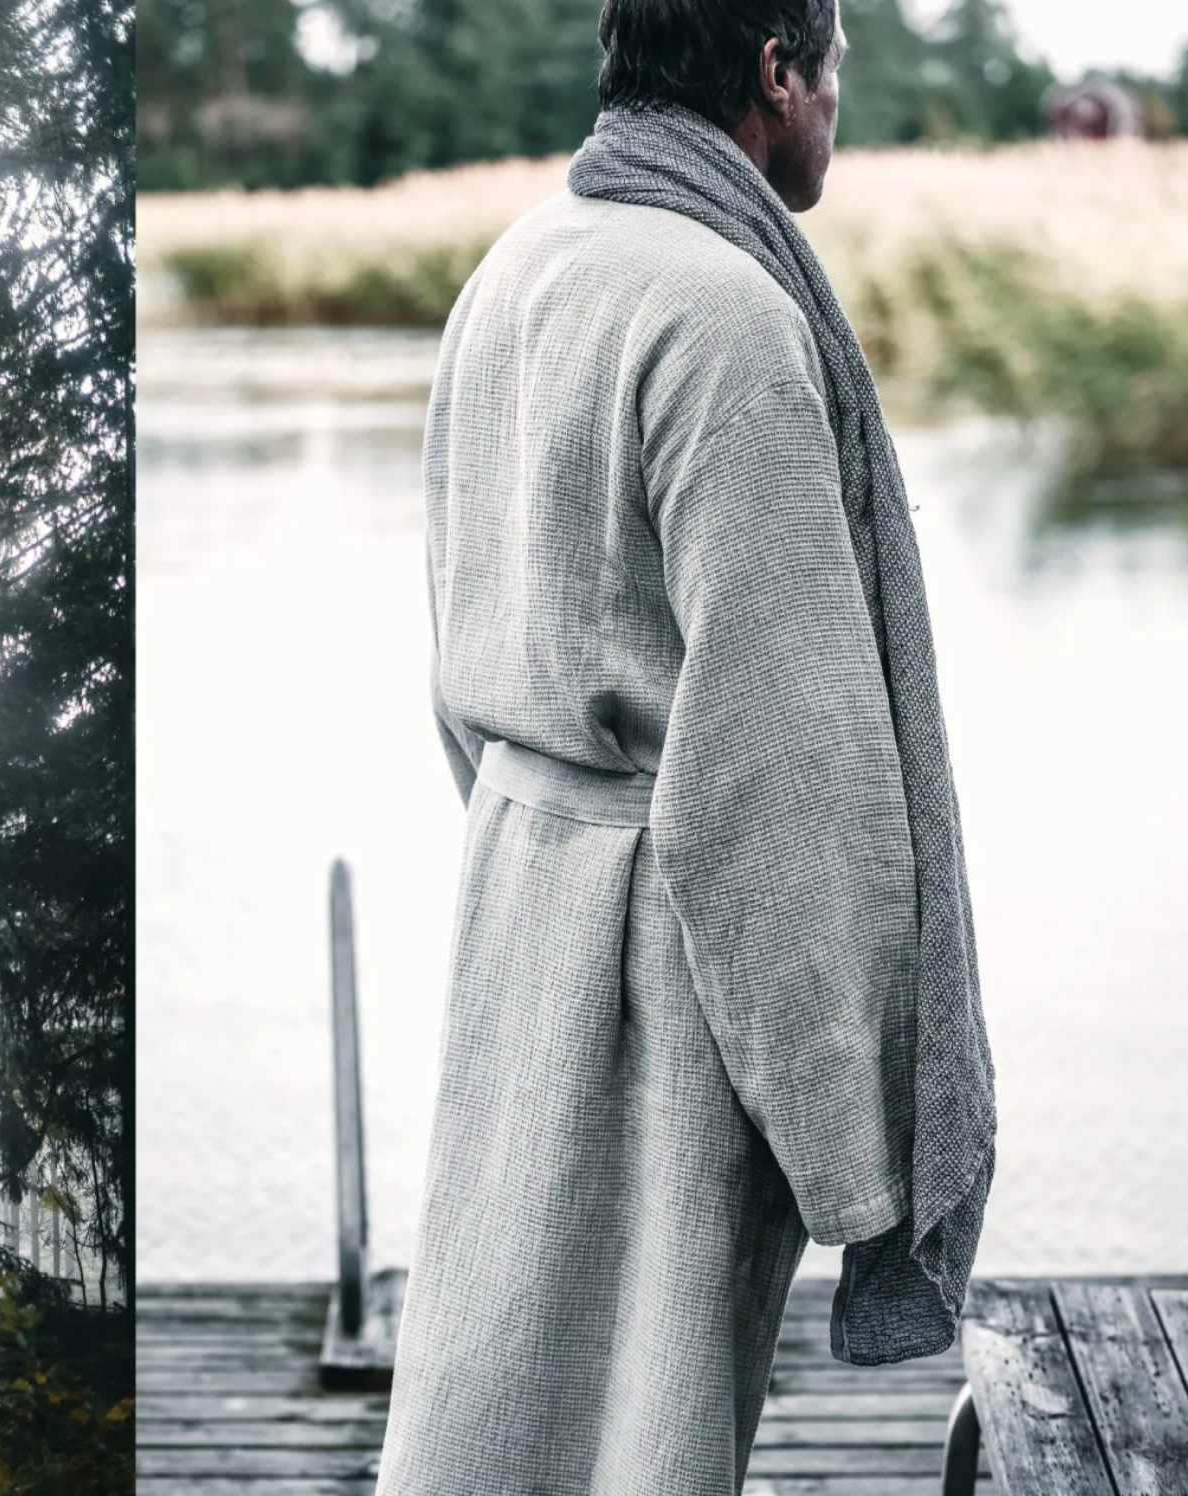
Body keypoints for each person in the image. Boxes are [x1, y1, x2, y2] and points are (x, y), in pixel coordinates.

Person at [372, 0, 995, 1491]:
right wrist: (851, 1139)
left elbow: (453, 627)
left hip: (520, 871)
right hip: (678, 934)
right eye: (830, 64)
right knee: (660, 1393)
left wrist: (546, 825)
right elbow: (783, 768)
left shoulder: (518, 263)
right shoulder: (724, 315)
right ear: (773, 73)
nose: (835, 99)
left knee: (504, 1355)